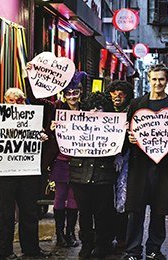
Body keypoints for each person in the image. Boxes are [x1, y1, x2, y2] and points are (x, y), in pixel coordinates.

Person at [123, 64, 168, 260]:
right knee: (135, 210)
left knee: (160, 209)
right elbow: (125, 132)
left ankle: (153, 249)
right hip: (139, 166)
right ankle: (133, 250)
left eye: (162, 79)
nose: (158, 83)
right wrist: (129, 138)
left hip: (164, 167)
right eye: (154, 79)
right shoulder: (136, 104)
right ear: (149, 80)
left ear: (167, 81)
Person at [0, 88, 51, 260]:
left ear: (24, 101)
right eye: (11, 100)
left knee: (30, 212)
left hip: (27, 172)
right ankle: (5, 252)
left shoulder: (32, 118)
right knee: (5, 214)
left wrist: (42, 138)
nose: (15, 104)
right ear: (5, 100)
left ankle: (31, 249)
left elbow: (38, 140)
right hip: (4, 174)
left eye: (19, 100)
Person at [68, 92, 119, 259]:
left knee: (102, 213)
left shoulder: (112, 127)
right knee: (84, 213)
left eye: (99, 109)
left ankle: (102, 244)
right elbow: (65, 144)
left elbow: (121, 149)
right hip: (80, 174)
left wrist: (122, 134)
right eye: (92, 109)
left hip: (103, 175)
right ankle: (87, 244)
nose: (95, 112)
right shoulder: (76, 124)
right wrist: (57, 130)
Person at [47, 72, 86, 248]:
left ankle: (70, 233)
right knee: (59, 196)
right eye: (68, 93)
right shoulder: (56, 109)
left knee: (74, 198)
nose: (72, 96)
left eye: (75, 92)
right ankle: (60, 234)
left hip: (79, 161)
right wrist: (51, 128)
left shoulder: (86, 110)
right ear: (63, 95)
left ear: (81, 92)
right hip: (61, 160)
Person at [106, 80, 135, 249]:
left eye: (121, 92)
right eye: (114, 91)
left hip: (126, 160)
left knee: (123, 200)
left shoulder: (132, 112)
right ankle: (107, 236)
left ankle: (122, 235)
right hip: (106, 161)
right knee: (106, 200)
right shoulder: (104, 110)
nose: (117, 95)